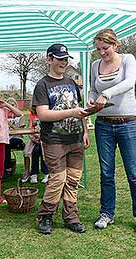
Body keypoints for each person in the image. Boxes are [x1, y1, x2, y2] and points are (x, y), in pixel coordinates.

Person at [88, 28, 136, 234]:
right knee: (106, 173)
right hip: (104, 124)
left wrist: (106, 93)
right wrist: (92, 98)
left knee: (133, 172)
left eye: (105, 48)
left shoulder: (128, 59)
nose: (102, 52)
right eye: (98, 49)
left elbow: (129, 82)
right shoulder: (95, 65)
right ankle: (107, 213)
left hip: (128, 123)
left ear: (115, 45)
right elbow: (92, 89)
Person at [33, 43, 90, 235]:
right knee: (57, 179)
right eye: (60, 59)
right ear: (49, 59)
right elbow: (43, 115)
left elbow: (80, 110)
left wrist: (85, 131)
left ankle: (71, 217)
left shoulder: (72, 83)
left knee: (73, 180)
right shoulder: (42, 85)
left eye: (66, 59)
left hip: (75, 139)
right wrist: (71, 112)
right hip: (54, 140)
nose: (64, 63)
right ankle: (46, 216)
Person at [4, 98, 25, 178]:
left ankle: (8, 168)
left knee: (8, 144)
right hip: (6, 139)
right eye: (8, 106)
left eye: (12, 105)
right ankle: (5, 168)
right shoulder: (4, 116)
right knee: (4, 145)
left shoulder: (20, 117)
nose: (10, 108)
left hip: (17, 139)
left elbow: (20, 131)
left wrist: (11, 125)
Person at [20, 107, 40, 183]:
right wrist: (32, 136)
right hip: (33, 137)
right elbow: (29, 128)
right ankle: (27, 172)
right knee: (26, 152)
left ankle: (46, 173)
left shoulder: (44, 114)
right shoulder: (32, 115)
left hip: (43, 138)